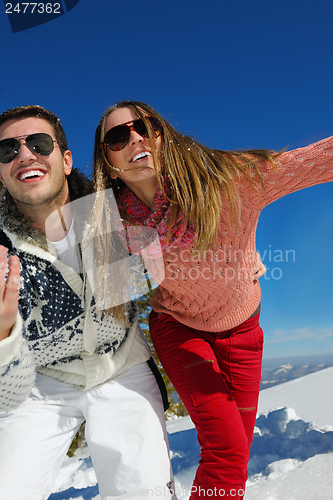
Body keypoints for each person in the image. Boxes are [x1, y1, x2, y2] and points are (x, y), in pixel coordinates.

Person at [92, 100, 333, 500]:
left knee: (237, 444)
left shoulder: (228, 182)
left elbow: (316, 161)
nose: (135, 137)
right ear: (109, 159)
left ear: (162, 134)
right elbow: (98, 281)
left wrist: (243, 251)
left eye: (145, 126)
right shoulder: (111, 221)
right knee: (227, 448)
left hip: (244, 329)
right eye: (118, 136)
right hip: (179, 329)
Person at [0, 105, 177, 500]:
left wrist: (236, 251)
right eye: (7, 151)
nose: (24, 155)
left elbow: (186, 219)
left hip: (121, 366)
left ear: (65, 160)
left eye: (39, 144)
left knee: (145, 494)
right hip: (41, 381)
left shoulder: (114, 209)